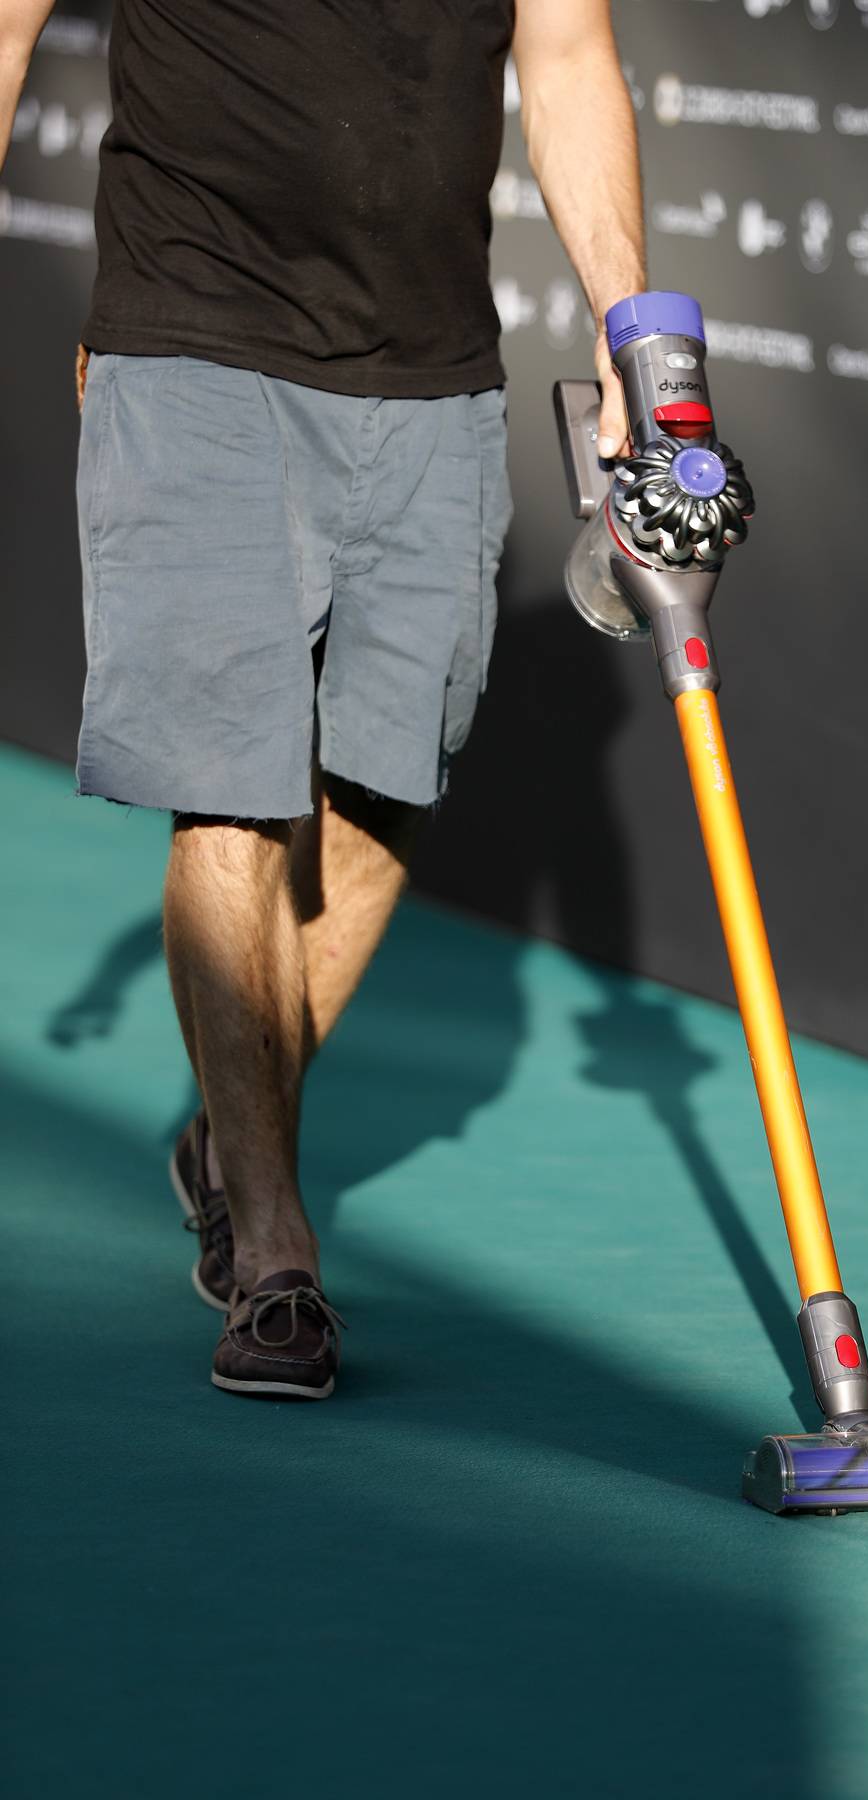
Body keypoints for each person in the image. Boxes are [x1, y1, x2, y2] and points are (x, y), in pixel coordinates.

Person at [0, 0, 644, 1399]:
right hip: (194, 330)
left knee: (383, 777)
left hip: (429, 366)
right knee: (228, 780)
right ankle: (276, 1251)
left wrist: (627, 320)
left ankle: (231, 1137)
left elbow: (571, 49)